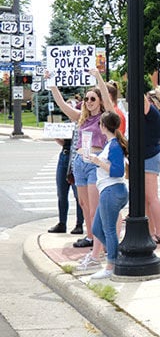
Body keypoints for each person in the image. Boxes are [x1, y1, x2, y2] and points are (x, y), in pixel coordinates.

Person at [48, 68, 113, 256]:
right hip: (79, 162)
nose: (89, 102)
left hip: (95, 162)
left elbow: (108, 101)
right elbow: (61, 104)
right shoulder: (81, 118)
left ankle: (101, 243)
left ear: (100, 101)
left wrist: (98, 77)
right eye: (87, 99)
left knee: (95, 206)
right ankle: (91, 237)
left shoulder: (105, 117)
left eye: (93, 99)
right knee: (84, 204)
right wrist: (52, 83)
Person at [88, 111, 129, 279]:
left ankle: (111, 265)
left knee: (109, 229)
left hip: (111, 190)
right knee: (97, 228)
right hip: (110, 190)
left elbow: (117, 171)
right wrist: (94, 159)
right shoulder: (111, 144)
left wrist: (98, 162)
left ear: (104, 126)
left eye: (100, 124)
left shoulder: (113, 146)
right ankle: (116, 256)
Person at [47, 136, 84, 235]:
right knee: (61, 192)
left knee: (78, 194)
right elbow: (65, 143)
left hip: (76, 156)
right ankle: (62, 223)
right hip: (64, 154)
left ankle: (79, 224)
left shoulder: (83, 124)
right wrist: (57, 137)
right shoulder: (67, 125)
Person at [145, 88, 160, 244]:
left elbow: (142, 101)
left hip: (150, 157)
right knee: (147, 199)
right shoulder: (156, 115)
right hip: (149, 156)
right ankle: (151, 232)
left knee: (152, 197)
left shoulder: (153, 112)